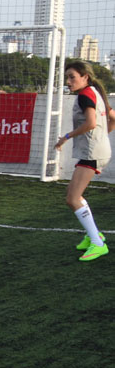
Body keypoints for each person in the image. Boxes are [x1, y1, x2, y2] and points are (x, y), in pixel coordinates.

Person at [54, 61, 115, 261]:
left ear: (84, 77)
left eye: (72, 77)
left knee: (72, 198)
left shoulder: (85, 95)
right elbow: (112, 117)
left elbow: (90, 123)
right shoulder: (95, 92)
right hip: (96, 150)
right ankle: (93, 235)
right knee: (73, 196)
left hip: (93, 153)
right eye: (67, 77)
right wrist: (103, 137)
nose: (68, 82)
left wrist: (67, 137)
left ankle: (98, 243)